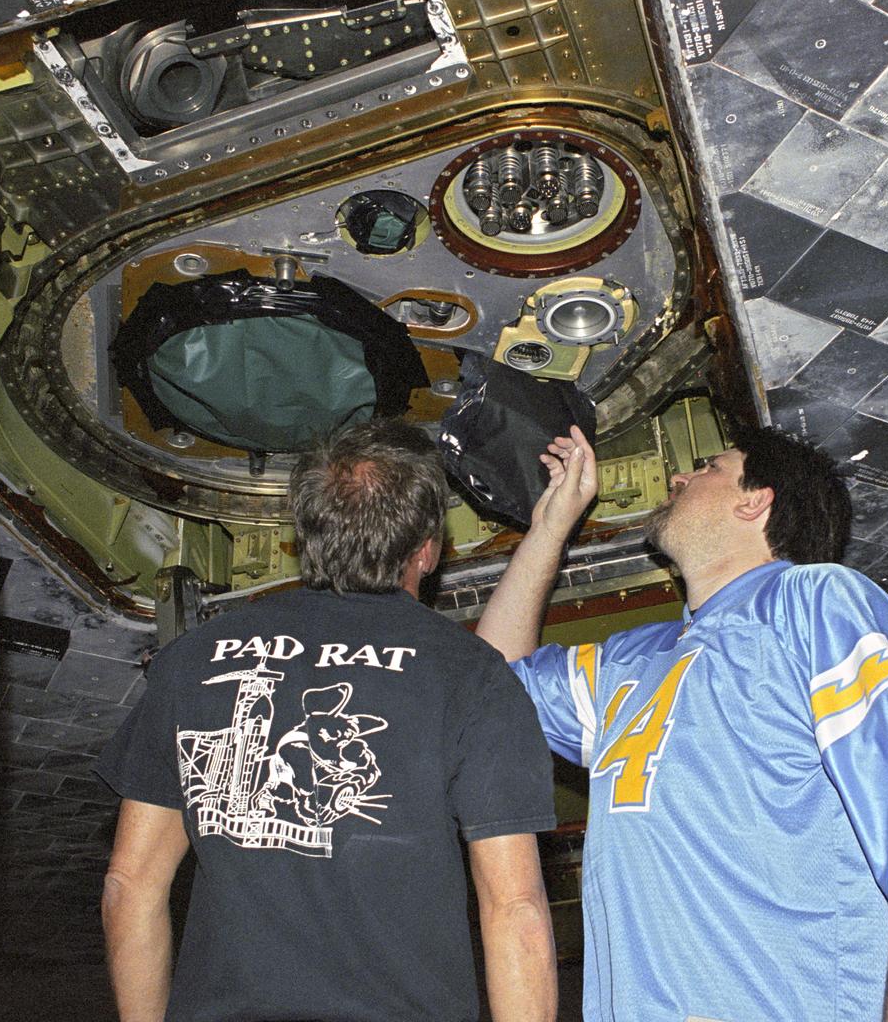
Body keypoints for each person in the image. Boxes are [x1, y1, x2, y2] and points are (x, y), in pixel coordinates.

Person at [476, 421, 888, 1022]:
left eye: (708, 467)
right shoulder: (629, 662)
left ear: (756, 500)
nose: (679, 476)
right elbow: (491, 688)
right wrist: (550, 526)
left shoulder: (812, 601)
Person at [96, 419, 558, 1022]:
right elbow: (515, 905)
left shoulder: (192, 661)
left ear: (304, 534)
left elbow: (128, 888)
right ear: (427, 548)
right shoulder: (472, 676)